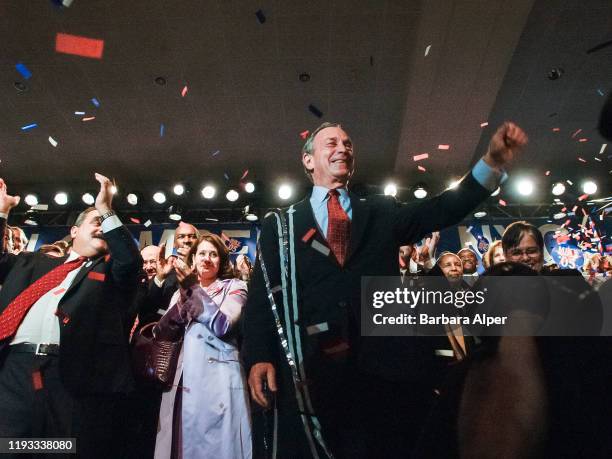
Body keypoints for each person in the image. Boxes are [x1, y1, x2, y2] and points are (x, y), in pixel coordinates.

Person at [243, 120, 528, 458]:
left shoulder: (381, 211)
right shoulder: (283, 225)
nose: (343, 148)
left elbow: (442, 208)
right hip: (313, 370)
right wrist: (259, 355)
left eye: (348, 144)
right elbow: (262, 296)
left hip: (383, 372)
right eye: (331, 143)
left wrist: (491, 164)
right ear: (308, 160)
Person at [0, 174, 142, 458]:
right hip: (14, 372)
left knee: (60, 450)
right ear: (74, 232)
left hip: (69, 377)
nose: (101, 227)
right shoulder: (32, 262)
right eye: (95, 222)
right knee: (9, 447)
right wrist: (2, 211)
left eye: (104, 223)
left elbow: (130, 260)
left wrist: (105, 209)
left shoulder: (111, 271)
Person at [155, 232, 251, 459]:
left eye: (213, 254)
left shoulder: (235, 287)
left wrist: (192, 290)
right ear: (193, 259)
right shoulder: (180, 293)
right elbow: (162, 332)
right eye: (202, 254)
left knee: (219, 448)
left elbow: (223, 324)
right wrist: (184, 295)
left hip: (219, 379)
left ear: (222, 261)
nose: (207, 259)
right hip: (183, 379)